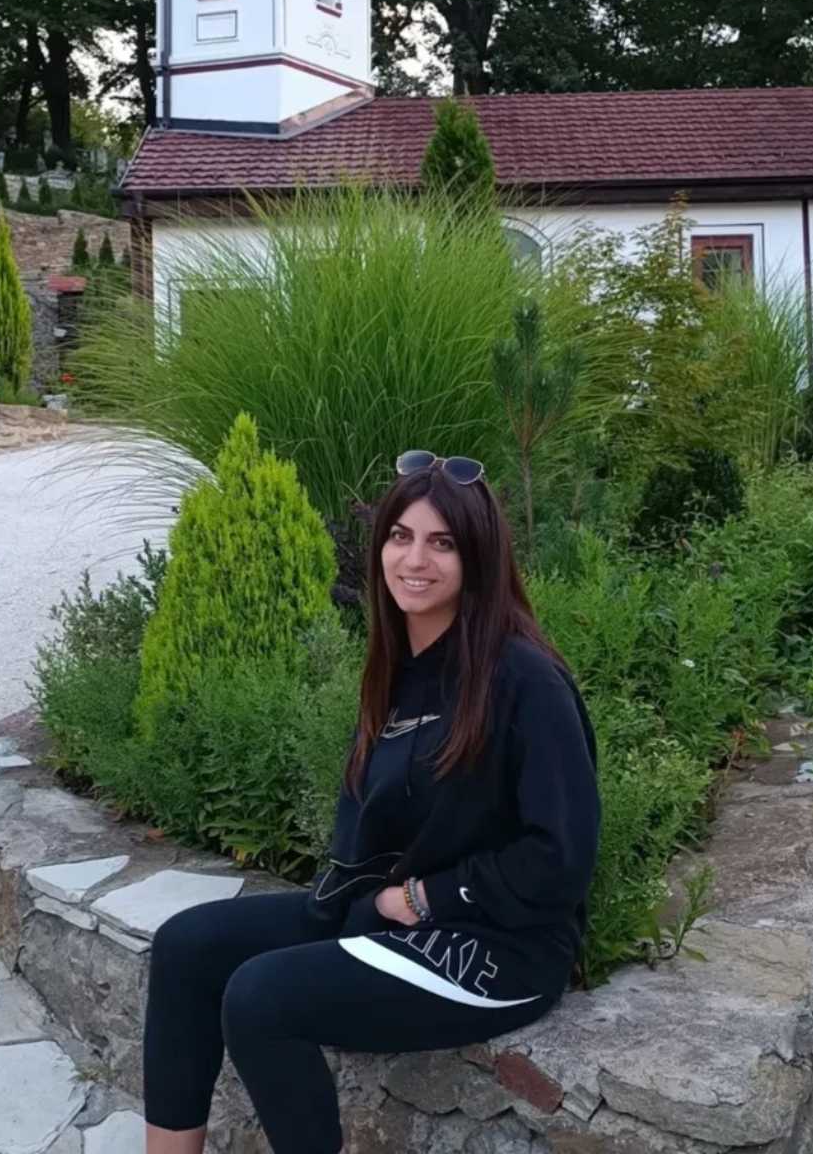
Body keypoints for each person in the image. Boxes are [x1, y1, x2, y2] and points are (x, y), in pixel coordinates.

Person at [142, 450, 602, 1154]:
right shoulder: (401, 667)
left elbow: (560, 858)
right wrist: (368, 900)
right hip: (390, 914)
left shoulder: (524, 680)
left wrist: (423, 898)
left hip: (501, 948)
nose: (414, 559)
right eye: (400, 536)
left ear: (478, 558)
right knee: (185, 947)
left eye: (442, 543)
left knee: (263, 998)